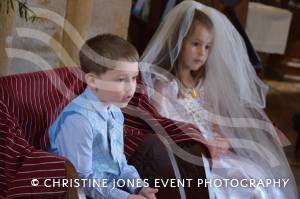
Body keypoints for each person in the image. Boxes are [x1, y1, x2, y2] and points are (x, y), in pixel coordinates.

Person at [140, 1, 298, 198]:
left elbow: (212, 122)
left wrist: (221, 139)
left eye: (207, 47)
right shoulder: (165, 85)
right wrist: (202, 143)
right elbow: (162, 127)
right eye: (195, 44)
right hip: (191, 157)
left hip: (215, 154)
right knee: (241, 187)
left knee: (258, 176)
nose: (202, 53)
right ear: (178, 42)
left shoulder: (202, 84)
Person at [48, 34, 158, 199]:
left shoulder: (115, 112)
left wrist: (138, 187)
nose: (131, 88)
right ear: (93, 81)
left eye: (134, 78)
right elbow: (82, 181)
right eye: (121, 80)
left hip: (107, 191)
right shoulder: (79, 121)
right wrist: (124, 197)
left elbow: (119, 164)